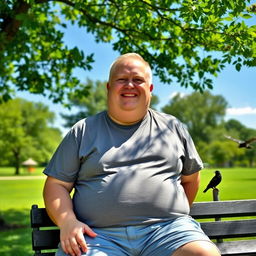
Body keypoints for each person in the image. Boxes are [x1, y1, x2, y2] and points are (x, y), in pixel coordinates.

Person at [43, 53, 221, 256]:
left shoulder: (173, 127)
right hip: (98, 237)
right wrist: (67, 221)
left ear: (150, 89)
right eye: (121, 79)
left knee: (203, 254)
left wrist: (171, 214)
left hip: (168, 233)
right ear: (109, 87)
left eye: (138, 80)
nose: (129, 85)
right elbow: (56, 185)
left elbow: (190, 179)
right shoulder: (83, 130)